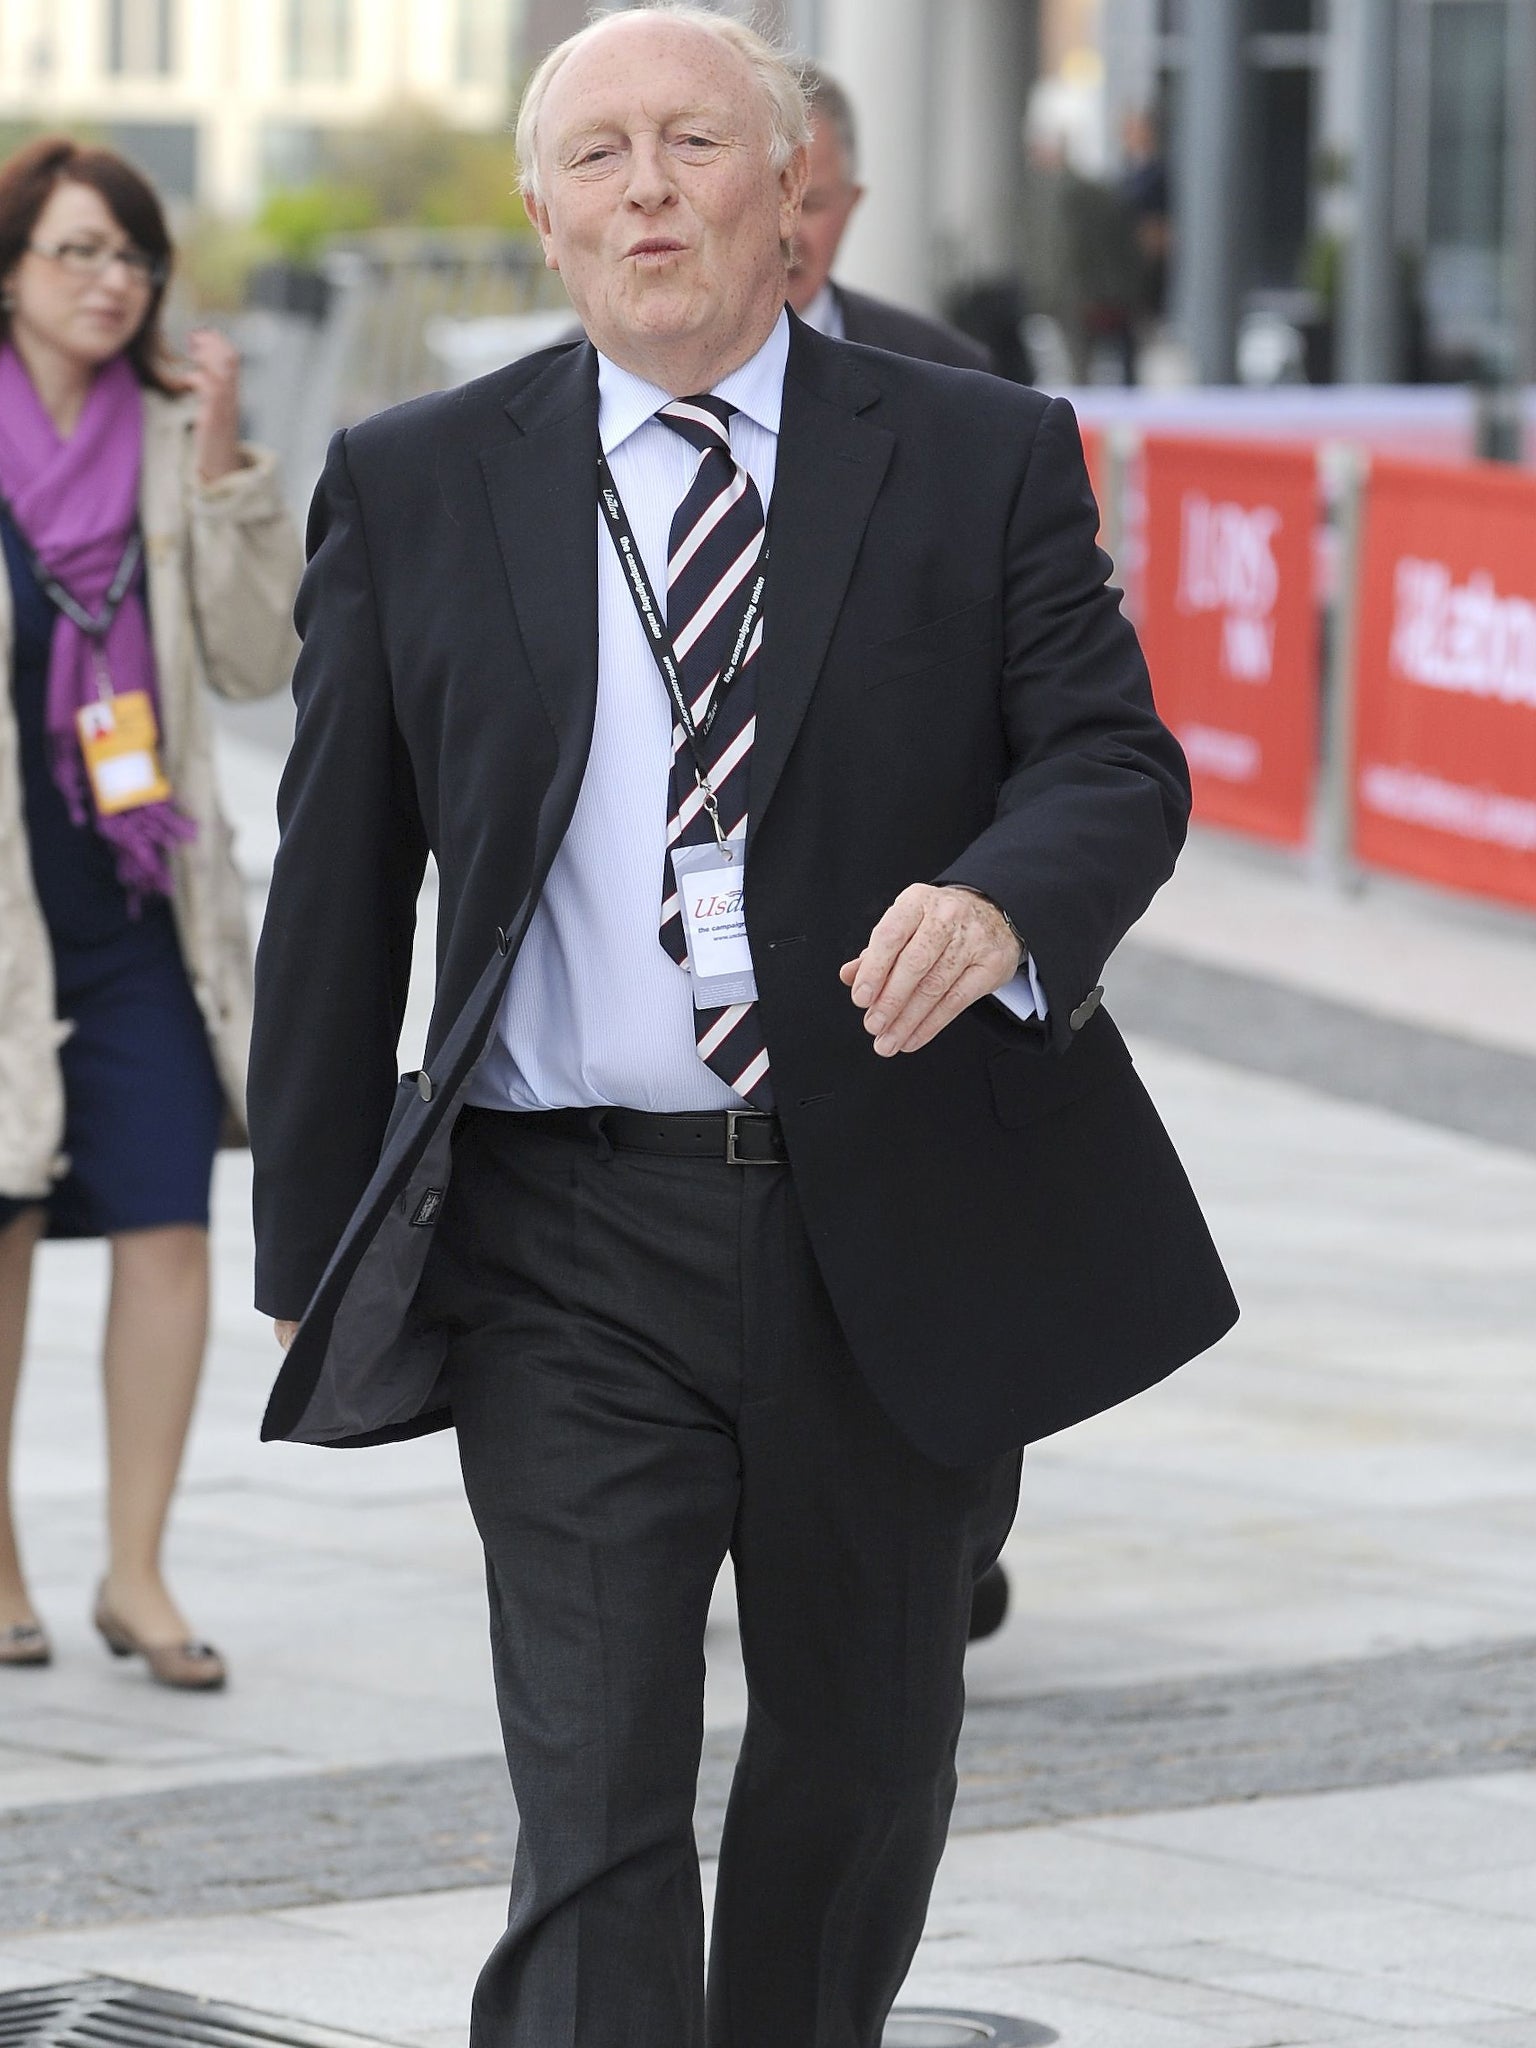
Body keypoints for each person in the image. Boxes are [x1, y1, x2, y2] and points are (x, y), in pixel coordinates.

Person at [249, 7, 1237, 2043]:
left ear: (792, 191)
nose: (647, 189)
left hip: (886, 1217)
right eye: (597, 157)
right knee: (597, 1793)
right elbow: (340, 877)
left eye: (692, 142)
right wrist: (310, 1236)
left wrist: (999, 900)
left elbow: (1112, 763)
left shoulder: (973, 453)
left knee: (858, 1772)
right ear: (540, 219)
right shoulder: (420, 482)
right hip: (563, 1234)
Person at [0, 139, 300, 1685]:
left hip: (137, 900)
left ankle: (137, 1573)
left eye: (130, 255)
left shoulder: (176, 435)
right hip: (1, 913)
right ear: (10, 272)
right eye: (75, 253)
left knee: (172, 1217)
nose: (111, 281)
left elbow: (256, 663)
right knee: (2, 1216)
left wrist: (232, 462)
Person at [791, 61, 1010, 1642]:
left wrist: (999, 892)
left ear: (842, 205)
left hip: (923, 967)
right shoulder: (552, 412)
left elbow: (1075, 710)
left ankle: (953, 1539)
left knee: (944, 1320)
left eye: (802, 190)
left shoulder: (963, 395)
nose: (771, 220)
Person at [788, 63, 993, 374]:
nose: (788, 233)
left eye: (812, 205)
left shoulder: (945, 370)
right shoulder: (686, 368)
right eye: (769, 202)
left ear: (851, 205)